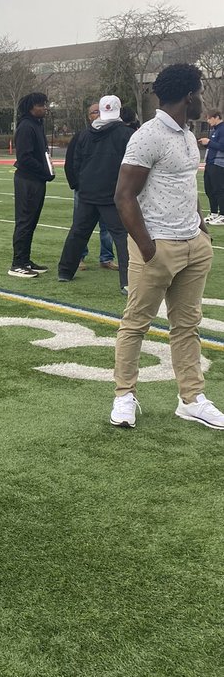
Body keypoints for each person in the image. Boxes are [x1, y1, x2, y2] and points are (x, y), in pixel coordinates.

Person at [110, 63, 224, 429]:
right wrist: (147, 248)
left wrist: (201, 225)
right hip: (158, 247)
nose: (203, 100)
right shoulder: (147, 135)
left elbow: (183, 186)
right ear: (189, 96)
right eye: (200, 93)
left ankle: (191, 398)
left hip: (193, 244)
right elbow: (124, 196)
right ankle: (124, 395)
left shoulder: (189, 135)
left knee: (187, 326)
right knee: (135, 325)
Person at [57, 95, 133, 293]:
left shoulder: (84, 135)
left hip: (88, 193)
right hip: (113, 194)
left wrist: (79, 185)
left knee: (78, 232)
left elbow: (74, 162)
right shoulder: (126, 134)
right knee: (122, 236)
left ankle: (65, 271)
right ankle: (128, 281)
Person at [64, 101, 116, 272]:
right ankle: (78, 257)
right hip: (85, 189)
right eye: (94, 112)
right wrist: (76, 184)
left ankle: (106, 257)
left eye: (100, 112)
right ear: (89, 116)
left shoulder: (113, 135)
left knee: (107, 227)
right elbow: (71, 162)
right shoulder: (81, 135)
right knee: (81, 225)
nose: (98, 115)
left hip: (106, 189)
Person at [8, 92, 54, 278]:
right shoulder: (27, 126)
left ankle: (25, 260)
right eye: (40, 105)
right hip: (28, 180)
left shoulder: (36, 125)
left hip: (36, 179)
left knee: (31, 221)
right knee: (25, 221)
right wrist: (44, 170)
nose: (44, 108)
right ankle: (17, 263)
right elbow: (24, 157)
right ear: (30, 107)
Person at [198, 110, 224, 224]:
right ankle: (213, 213)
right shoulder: (215, 130)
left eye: (209, 118)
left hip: (218, 163)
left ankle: (222, 214)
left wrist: (208, 142)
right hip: (209, 163)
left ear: (217, 117)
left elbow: (222, 146)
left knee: (219, 189)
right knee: (209, 189)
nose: (208, 121)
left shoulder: (222, 129)